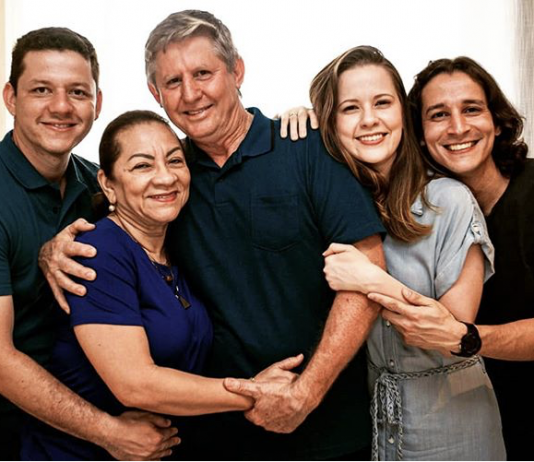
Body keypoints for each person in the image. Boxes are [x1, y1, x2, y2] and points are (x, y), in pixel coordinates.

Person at [40, 10, 387, 460]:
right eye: (173, 81)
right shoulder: (172, 178)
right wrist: (52, 248)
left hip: (327, 429)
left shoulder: (307, 147)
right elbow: (114, 217)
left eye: (203, 73)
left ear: (236, 71)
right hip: (213, 438)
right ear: (156, 93)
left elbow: (368, 272)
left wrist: (306, 392)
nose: (191, 94)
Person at [21, 109, 304, 460]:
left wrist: (301, 116)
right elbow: (135, 384)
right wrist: (255, 392)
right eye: (142, 166)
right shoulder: (98, 252)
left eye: (174, 160)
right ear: (108, 184)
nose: (165, 177)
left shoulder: (175, 247)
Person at [278, 46, 505, 460]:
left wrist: (370, 280)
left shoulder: (449, 200)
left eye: (382, 103)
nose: (369, 119)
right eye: (350, 108)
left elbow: (451, 333)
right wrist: (299, 127)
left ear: (403, 112)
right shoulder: (341, 209)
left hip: (454, 417)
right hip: (376, 422)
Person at [0, 27, 181, 460]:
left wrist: (301, 123)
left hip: (79, 422)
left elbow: (172, 173)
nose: (61, 107)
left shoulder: (98, 184)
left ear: (98, 103)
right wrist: (109, 432)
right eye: (41, 90)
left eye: (78, 92)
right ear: (11, 98)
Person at [364, 56, 533, 461]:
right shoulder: (428, 208)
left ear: (497, 121)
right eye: (439, 115)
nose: (457, 128)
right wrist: (304, 121)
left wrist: (466, 338)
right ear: (419, 133)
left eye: (471, 109)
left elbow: (453, 333)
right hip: (481, 416)